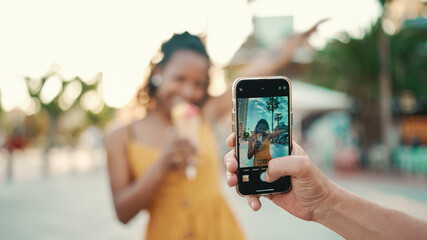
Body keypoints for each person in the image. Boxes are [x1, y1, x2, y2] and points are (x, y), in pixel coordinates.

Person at [106, 25, 319, 239]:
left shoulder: (205, 113)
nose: (188, 91)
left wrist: (294, 40)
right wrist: (163, 164)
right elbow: (123, 213)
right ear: (159, 73)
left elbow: (258, 68)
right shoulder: (121, 136)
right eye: (179, 79)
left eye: (198, 84)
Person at [224, 133, 427, 239]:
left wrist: (323, 203)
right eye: (258, 130)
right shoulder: (253, 141)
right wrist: (323, 203)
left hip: (273, 170)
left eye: (262, 129)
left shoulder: (270, 138)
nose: (260, 132)